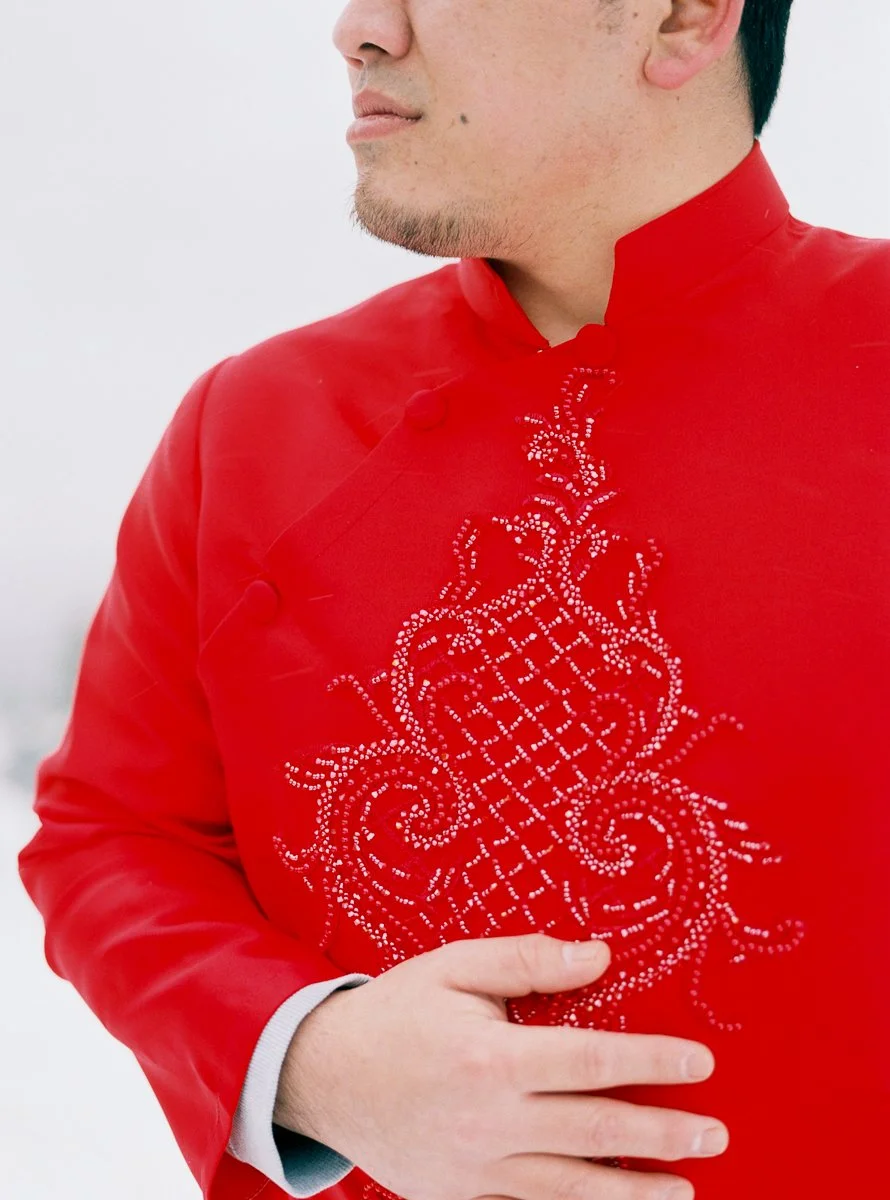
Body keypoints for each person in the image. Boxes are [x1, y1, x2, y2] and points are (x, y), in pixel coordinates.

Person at [18, 1, 890, 1198]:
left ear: (681, 16)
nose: (359, 30)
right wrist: (308, 1057)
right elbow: (112, 834)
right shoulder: (251, 425)